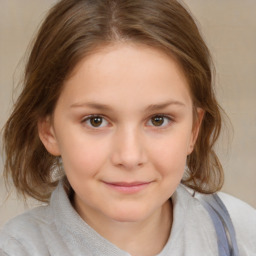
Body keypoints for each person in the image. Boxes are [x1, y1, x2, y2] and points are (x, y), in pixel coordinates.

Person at [0, 0, 255, 255]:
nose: (130, 157)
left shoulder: (238, 231)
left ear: (193, 129)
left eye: (158, 120)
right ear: (49, 130)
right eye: (96, 121)